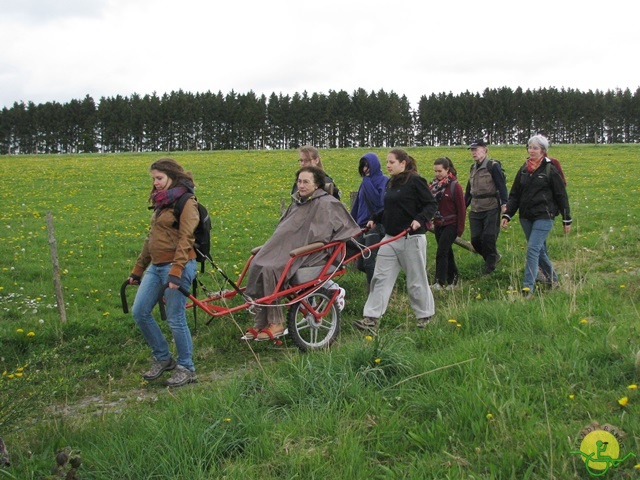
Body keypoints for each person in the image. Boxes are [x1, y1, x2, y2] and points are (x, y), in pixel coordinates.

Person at [244, 166, 360, 341]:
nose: (301, 185)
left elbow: (346, 229)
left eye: (306, 182)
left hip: (310, 253)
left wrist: (326, 244)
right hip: (286, 249)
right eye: (299, 181)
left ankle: (276, 323)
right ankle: (261, 321)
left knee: (272, 269)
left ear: (317, 184)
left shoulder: (328, 203)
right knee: (257, 263)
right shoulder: (297, 203)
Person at [128, 158, 199, 387]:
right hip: (156, 266)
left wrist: (177, 271)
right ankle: (163, 357)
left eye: (159, 178)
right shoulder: (161, 203)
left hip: (177, 266)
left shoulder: (186, 201)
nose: (156, 183)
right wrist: (138, 270)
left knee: (175, 318)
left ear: (171, 176)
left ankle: (187, 367)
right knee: (140, 312)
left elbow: (186, 238)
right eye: (154, 179)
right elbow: (151, 239)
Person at [354, 148, 438, 330]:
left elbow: (431, 204)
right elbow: (390, 208)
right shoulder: (391, 183)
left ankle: (425, 317)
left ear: (403, 163)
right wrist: (375, 219)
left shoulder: (416, 181)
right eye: (387, 162)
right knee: (380, 278)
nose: (388, 166)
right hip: (391, 238)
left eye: (391, 162)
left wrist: (419, 219)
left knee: (416, 279)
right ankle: (371, 318)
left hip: (411, 238)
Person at [500, 134, 572, 296]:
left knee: (532, 249)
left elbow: (561, 195)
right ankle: (553, 279)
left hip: (544, 216)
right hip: (526, 216)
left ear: (543, 151)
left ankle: (527, 288)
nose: (531, 151)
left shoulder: (550, 169)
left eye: (535, 148)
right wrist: (507, 214)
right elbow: (515, 194)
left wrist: (567, 219)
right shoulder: (524, 169)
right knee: (539, 251)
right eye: (529, 147)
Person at [464, 139, 508, 274]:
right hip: (476, 208)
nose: (473, 152)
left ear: (485, 150)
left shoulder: (493, 166)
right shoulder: (473, 168)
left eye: (476, 149)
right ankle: (493, 257)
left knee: (489, 237)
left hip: (491, 207)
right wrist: (462, 207)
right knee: (476, 240)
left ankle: (490, 268)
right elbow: (468, 190)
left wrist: (504, 204)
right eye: (472, 150)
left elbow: (501, 185)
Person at [350, 152, 389, 287]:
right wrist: (351, 222)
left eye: (368, 166)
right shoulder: (364, 183)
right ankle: (382, 283)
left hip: (375, 225)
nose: (365, 169)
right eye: (363, 166)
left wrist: (367, 183)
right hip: (361, 226)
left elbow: (379, 203)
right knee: (361, 264)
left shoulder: (383, 180)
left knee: (368, 261)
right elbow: (357, 205)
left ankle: (374, 294)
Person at [428, 157, 466, 290]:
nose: (437, 174)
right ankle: (453, 278)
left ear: (447, 169)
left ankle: (439, 281)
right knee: (447, 251)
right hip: (438, 224)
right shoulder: (432, 186)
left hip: (452, 224)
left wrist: (460, 228)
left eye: (440, 171)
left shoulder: (455, 187)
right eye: (435, 171)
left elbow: (461, 208)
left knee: (441, 251)